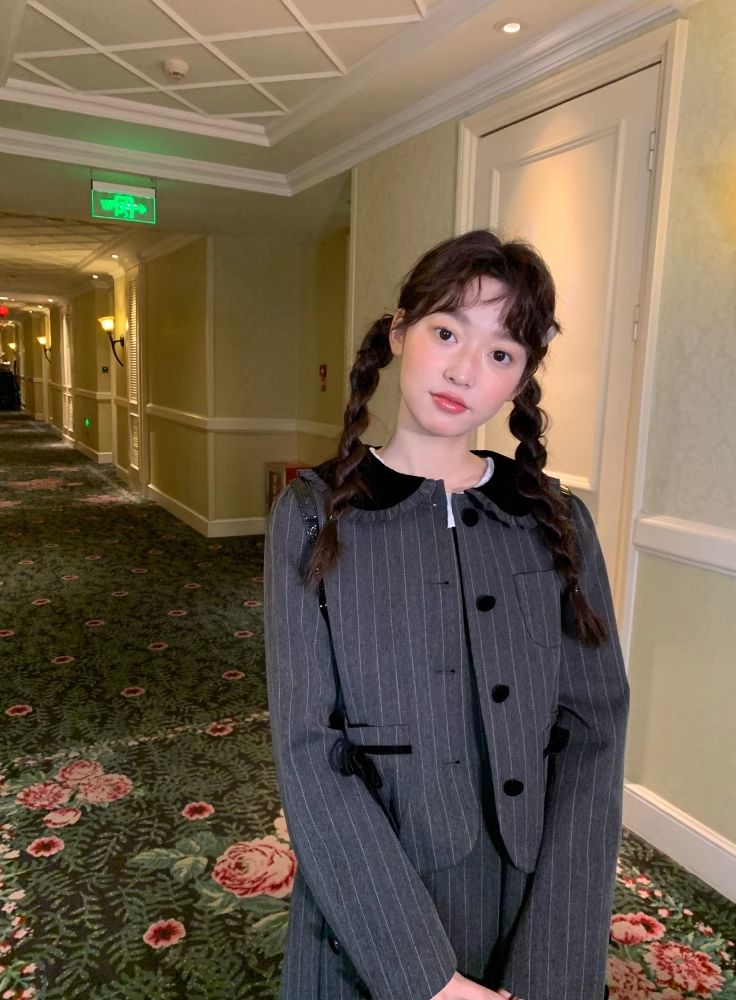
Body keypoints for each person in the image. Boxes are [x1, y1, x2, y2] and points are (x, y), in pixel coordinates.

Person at [264, 229, 628, 1000]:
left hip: (527, 906)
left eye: (501, 352)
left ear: (521, 379)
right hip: (373, 909)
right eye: (446, 332)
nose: (466, 369)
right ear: (400, 332)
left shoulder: (557, 521)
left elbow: (593, 734)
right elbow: (308, 749)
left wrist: (554, 964)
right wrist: (424, 978)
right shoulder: (312, 514)